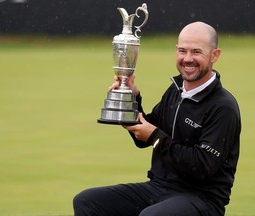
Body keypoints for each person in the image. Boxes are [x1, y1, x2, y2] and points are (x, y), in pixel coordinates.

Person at [73, 21, 241, 216]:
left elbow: (201, 166)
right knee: (87, 201)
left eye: (196, 52)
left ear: (215, 55)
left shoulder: (223, 107)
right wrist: (130, 99)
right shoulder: (176, 90)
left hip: (202, 198)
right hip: (160, 188)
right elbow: (144, 136)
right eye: (182, 51)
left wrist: (155, 137)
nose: (187, 59)